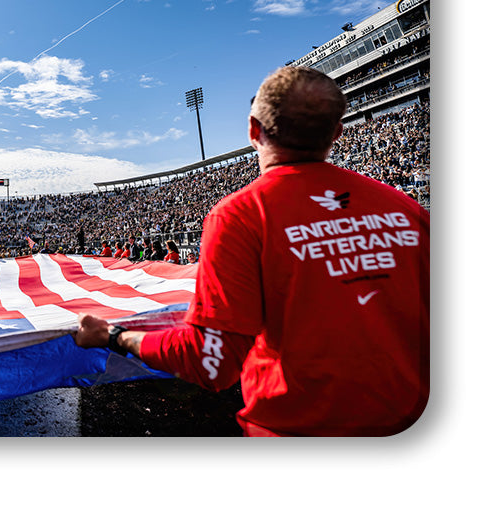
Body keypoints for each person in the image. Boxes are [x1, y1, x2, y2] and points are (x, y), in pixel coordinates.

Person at [74, 65, 429, 437]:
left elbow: (210, 364)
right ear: (337, 133)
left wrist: (113, 336)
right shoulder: (408, 210)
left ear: (253, 130)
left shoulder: (242, 216)